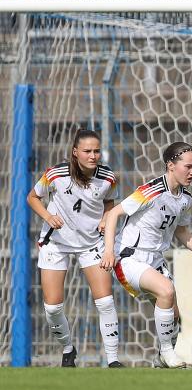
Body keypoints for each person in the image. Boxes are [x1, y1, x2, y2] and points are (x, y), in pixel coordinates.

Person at [100, 141, 192, 369]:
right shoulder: (150, 191)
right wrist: (109, 251)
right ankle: (168, 354)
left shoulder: (186, 198)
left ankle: (161, 359)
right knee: (167, 290)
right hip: (130, 257)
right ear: (171, 165)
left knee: (174, 315)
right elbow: (113, 215)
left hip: (155, 262)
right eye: (188, 167)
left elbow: (182, 232)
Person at [27, 129, 122, 367]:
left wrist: (104, 218)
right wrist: (48, 217)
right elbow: (32, 197)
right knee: (52, 307)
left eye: (97, 151)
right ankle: (68, 349)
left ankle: (113, 360)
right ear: (75, 152)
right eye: (87, 151)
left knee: (105, 302)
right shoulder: (56, 174)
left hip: (91, 243)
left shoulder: (108, 177)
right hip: (56, 244)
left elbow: (110, 203)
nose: (93, 156)